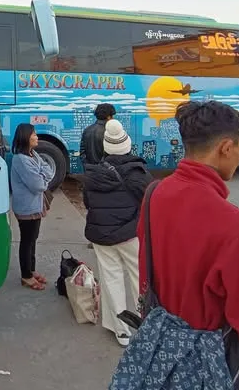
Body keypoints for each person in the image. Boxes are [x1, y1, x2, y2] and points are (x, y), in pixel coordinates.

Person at [137, 101, 239, 385]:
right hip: (208, 367)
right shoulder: (238, 229)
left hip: (159, 355)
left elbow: (146, 273)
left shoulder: (154, 194)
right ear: (225, 148)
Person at [82, 119, 152, 347]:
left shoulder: (93, 174)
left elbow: (87, 202)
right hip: (131, 234)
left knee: (111, 279)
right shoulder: (138, 173)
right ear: (128, 146)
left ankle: (120, 330)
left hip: (101, 235)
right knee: (140, 279)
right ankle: (146, 326)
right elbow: (151, 203)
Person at [10, 123, 54, 290]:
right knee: (27, 241)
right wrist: (43, 178)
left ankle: (31, 269)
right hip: (26, 208)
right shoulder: (21, 159)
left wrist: (42, 176)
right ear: (25, 137)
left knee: (33, 239)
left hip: (35, 206)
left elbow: (49, 171)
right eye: (34, 134)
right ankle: (26, 276)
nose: (37, 137)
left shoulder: (33, 154)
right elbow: (38, 185)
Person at [80, 103, 116, 167]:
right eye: (112, 116)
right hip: (104, 172)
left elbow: (82, 152)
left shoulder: (87, 130)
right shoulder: (109, 131)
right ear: (108, 117)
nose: (113, 118)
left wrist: (87, 166)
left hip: (90, 171)